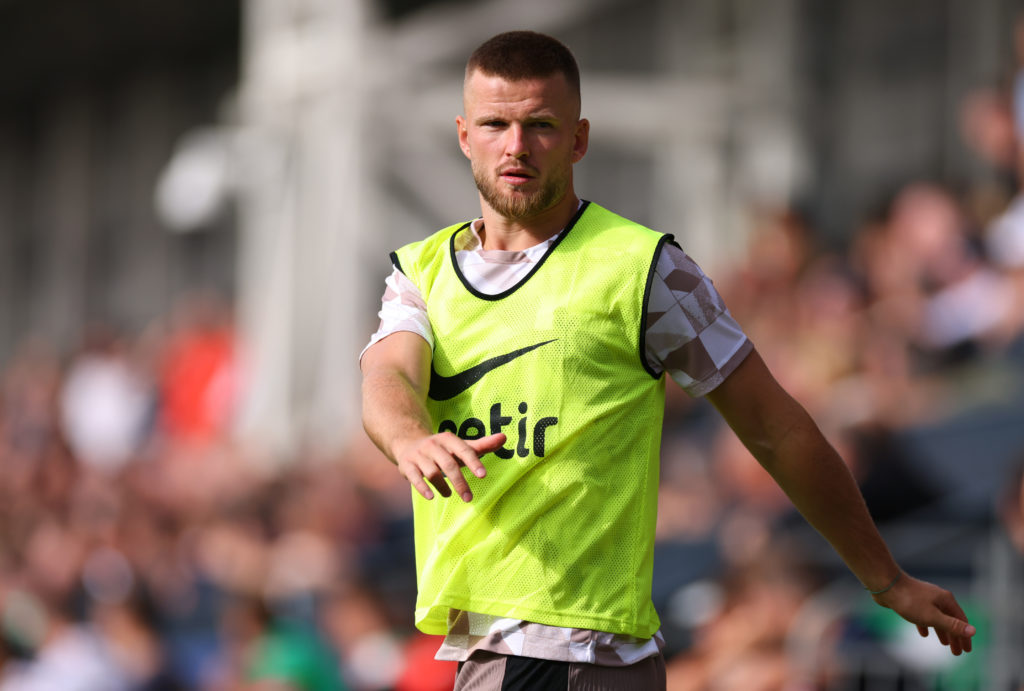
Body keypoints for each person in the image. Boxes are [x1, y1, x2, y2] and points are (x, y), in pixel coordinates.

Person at [359, 30, 975, 690]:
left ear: (579, 139)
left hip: (555, 654)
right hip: (521, 651)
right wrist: (411, 437)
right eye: (495, 124)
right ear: (463, 134)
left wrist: (885, 579)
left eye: (540, 125)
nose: (516, 146)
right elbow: (388, 374)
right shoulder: (422, 271)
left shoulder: (646, 269)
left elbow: (777, 426)